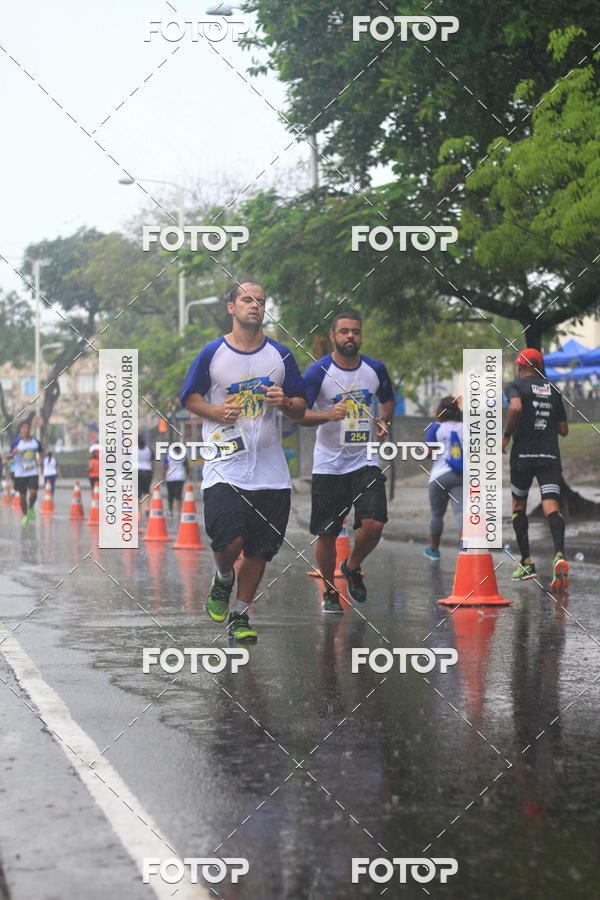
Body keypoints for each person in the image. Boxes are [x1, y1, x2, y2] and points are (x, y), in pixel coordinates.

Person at [181, 280, 307, 642]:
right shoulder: (213, 353)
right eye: (247, 299)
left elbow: (301, 408)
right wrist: (216, 411)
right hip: (225, 465)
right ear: (231, 308)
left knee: (259, 550)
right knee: (228, 542)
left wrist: (286, 402)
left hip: (270, 471)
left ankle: (240, 615)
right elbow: (189, 397)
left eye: (261, 301)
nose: (255, 305)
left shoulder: (281, 355)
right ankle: (223, 577)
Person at [302, 311, 395, 613]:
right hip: (328, 463)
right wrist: (328, 414)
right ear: (333, 336)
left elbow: (388, 398)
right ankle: (330, 590)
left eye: (355, 331)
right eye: (344, 331)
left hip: (365, 458)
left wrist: (384, 420)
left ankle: (352, 566)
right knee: (327, 533)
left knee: (375, 524)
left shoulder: (374, 369)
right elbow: (300, 413)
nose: (350, 336)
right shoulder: (318, 372)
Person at [503, 348, 569, 590]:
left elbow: (515, 407)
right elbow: (563, 430)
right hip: (549, 457)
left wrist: (506, 435)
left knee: (518, 505)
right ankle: (559, 555)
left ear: (521, 366)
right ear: (539, 367)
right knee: (552, 505)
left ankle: (527, 563)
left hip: (523, 457)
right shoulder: (553, 390)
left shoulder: (515, 386)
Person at [422, 397, 464, 561]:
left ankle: (434, 550)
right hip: (460, 476)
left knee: (437, 514)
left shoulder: (435, 428)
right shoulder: (466, 428)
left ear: (440, 411)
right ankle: (465, 550)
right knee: (460, 512)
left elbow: (429, 453)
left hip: (439, 477)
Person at [6, 421, 42, 524]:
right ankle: (25, 515)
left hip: (33, 472)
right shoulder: (16, 442)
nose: (26, 430)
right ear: (21, 430)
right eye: (24, 428)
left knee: (34, 493)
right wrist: (13, 453)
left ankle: (31, 507)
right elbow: (8, 456)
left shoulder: (35, 441)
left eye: (27, 428)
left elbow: (41, 451)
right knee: (22, 497)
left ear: (30, 429)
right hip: (20, 473)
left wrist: (40, 460)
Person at [162, 444, 187, 518]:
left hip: (170, 477)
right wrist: (186, 474)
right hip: (180, 477)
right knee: (178, 495)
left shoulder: (167, 455)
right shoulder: (183, 455)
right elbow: (187, 466)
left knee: (170, 495)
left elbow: (165, 467)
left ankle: (170, 512)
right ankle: (179, 512)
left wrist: (163, 477)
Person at [136, 434, 154, 517]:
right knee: (146, 491)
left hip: (136, 471)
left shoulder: (133, 450)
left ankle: (139, 512)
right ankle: (146, 507)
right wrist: (152, 471)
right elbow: (152, 462)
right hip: (147, 471)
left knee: (138, 492)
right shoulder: (149, 449)